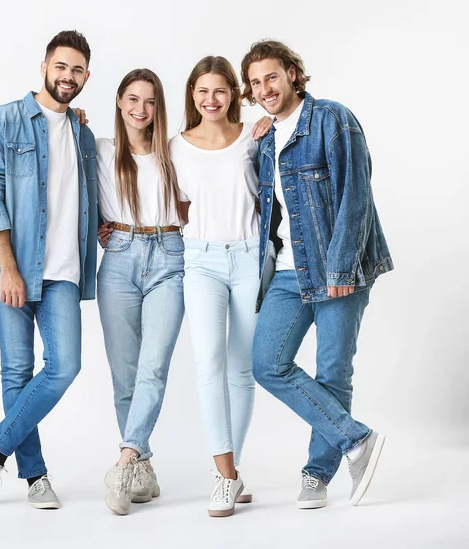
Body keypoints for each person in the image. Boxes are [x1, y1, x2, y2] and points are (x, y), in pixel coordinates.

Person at [241, 39, 393, 509]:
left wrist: (343, 264)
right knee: (267, 364)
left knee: (332, 371)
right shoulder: (265, 138)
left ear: (291, 73)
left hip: (336, 266)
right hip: (287, 271)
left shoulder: (332, 118)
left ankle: (316, 474)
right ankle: (357, 440)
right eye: (255, 82)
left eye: (271, 76)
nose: (264, 88)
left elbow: (355, 192)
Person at [0, 30, 98, 509]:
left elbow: (89, 198)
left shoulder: (83, 134)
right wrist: (8, 268)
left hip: (63, 271)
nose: (68, 76)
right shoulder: (1, 122)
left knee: (64, 366)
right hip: (11, 269)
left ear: (87, 76)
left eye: (77, 69)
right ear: (44, 67)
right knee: (17, 370)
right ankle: (35, 475)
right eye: (61, 66)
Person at [169, 56, 271, 517]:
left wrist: (272, 120)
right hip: (201, 261)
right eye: (202, 91)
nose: (211, 100)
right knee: (208, 361)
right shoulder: (177, 146)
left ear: (233, 94)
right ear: (192, 94)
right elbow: (179, 204)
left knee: (242, 368)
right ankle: (224, 475)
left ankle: (232, 471)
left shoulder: (254, 137)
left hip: (251, 256)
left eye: (220, 91)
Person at [91, 69, 185, 516]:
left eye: (149, 101)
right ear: (118, 102)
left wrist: (258, 127)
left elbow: (218, 164)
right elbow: (70, 189)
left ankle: (126, 460)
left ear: (158, 107)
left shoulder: (176, 152)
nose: (140, 109)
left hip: (170, 256)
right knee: (124, 374)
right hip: (120, 260)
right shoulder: (100, 150)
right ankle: (143, 468)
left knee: (153, 366)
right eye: (132, 99)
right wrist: (96, 229)